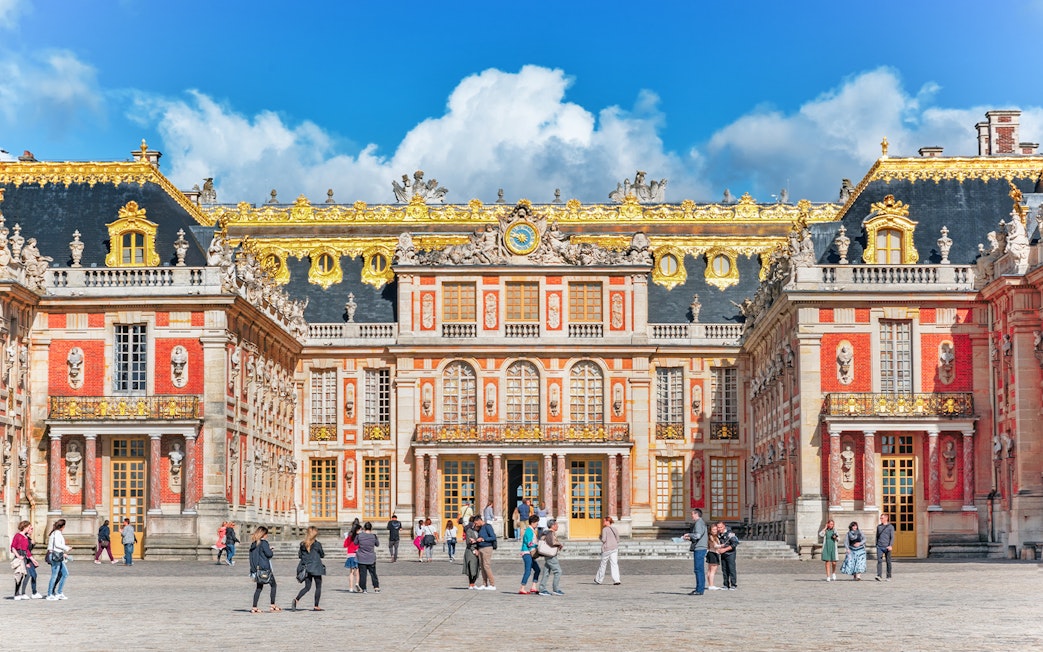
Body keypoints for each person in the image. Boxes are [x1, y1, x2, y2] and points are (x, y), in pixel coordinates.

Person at [293, 526, 326, 611]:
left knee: (307, 587)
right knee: (318, 587)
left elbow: (300, 556)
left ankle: (296, 599)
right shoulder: (317, 544)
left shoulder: (302, 544)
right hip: (316, 568)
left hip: (306, 568)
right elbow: (322, 554)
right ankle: (316, 606)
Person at [248, 526, 280, 613]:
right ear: (264, 534)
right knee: (273, 585)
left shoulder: (254, 543)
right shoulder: (264, 543)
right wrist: (271, 550)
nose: (267, 536)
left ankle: (254, 607)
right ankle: (272, 605)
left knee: (259, 588)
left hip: (257, 569)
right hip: (265, 568)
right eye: (266, 534)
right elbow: (269, 554)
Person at [11, 520, 41, 599]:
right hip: (20, 556)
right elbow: (13, 547)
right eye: (29, 527)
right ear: (24, 527)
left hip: (25, 557)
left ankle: (23, 593)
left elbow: (27, 550)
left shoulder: (25, 537)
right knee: (19, 575)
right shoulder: (18, 535)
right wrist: (18, 556)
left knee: (27, 575)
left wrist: (33, 560)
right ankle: (16, 594)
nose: (30, 529)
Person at [682, 508, 708, 595]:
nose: (691, 516)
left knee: (698, 569)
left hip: (700, 548)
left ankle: (699, 589)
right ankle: (699, 588)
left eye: (692, 514)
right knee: (699, 569)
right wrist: (689, 538)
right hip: (700, 547)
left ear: (697, 514)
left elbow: (697, 535)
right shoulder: (700, 522)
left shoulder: (699, 523)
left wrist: (689, 534)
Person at [537, 518, 564, 596]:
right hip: (550, 555)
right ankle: (555, 589)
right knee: (558, 571)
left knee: (546, 572)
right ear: (553, 526)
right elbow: (551, 542)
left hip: (548, 554)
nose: (557, 526)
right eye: (556, 524)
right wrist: (559, 544)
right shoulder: (550, 533)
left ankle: (542, 588)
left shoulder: (546, 532)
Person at [46, 519, 71, 600]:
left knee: (65, 573)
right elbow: (57, 544)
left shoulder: (57, 533)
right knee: (54, 575)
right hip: (54, 555)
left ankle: (59, 592)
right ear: (62, 526)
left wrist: (63, 553)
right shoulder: (56, 533)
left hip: (58, 555)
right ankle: (50, 594)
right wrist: (67, 548)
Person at [518, 514, 541, 594]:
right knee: (528, 570)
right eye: (537, 522)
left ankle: (533, 586)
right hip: (527, 553)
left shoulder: (532, 530)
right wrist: (537, 545)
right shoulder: (529, 531)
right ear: (533, 522)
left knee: (537, 569)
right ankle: (522, 587)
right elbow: (529, 543)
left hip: (530, 553)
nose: (537, 524)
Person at [354, 522, 380, 593]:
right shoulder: (373, 536)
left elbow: (355, 543)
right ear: (371, 528)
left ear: (364, 528)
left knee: (363, 574)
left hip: (361, 557)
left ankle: (364, 588)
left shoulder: (359, 536)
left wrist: (357, 534)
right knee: (373, 573)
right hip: (371, 557)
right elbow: (377, 544)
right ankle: (376, 587)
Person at [594, 516, 620, 586]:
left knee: (603, 564)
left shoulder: (605, 529)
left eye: (604, 521)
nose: (603, 522)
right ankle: (616, 580)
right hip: (614, 548)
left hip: (607, 549)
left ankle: (599, 579)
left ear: (608, 522)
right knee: (614, 564)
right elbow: (618, 540)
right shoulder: (615, 529)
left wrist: (600, 537)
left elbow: (603, 540)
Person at [474, 514, 497, 591]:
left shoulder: (487, 526)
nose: (476, 525)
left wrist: (483, 539)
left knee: (486, 565)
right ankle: (484, 583)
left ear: (479, 520)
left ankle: (492, 584)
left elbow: (493, 537)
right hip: (480, 548)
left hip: (487, 548)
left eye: (476, 523)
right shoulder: (480, 528)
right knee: (482, 566)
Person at [717, 522, 739, 590]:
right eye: (718, 527)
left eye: (721, 527)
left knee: (731, 569)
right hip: (723, 554)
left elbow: (735, 543)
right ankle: (726, 584)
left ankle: (733, 584)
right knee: (724, 570)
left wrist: (725, 549)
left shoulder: (730, 534)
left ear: (724, 527)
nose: (719, 529)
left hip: (730, 554)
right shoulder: (719, 534)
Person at [461, 516, 481, 589]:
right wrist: (474, 550)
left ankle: (473, 583)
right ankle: (471, 583)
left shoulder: (480, 531)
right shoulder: (469, 531)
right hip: (470, 550)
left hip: (479, 550)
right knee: (471, 567)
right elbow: (468, 542)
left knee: (477, 567)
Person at [876, 513, 895, 582]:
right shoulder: (879, 527)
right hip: (879, 546)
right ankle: (879, 575)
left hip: (887, 546)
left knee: (888, 562)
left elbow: (892, 537)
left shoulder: (890, 527)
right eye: (880, 518)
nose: (881, 519)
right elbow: (877, 536)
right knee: (879, 561)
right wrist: (876, 544)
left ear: (886, 518)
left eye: (882, 518)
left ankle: (888, 576)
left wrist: (890, 545)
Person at [343, 523, 361, 592]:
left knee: (351, 572)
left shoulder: (349, 537)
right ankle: (357, 583)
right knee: (358, 571)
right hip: (357, 554)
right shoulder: (359, 537)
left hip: (350, 554)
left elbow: (345, 545)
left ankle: (350, 587)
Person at [705, 523, 721, 590]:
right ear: (710, 530)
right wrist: (723, 545)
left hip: (711, 553)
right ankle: (711, 585)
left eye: (716, 529)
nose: (715, 531)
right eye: (713, 529)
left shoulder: (714, 536)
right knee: (712, 571)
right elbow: (715, 546)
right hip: (713, 553)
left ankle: (710, 584)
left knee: (710, 570)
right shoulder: (711, 537)